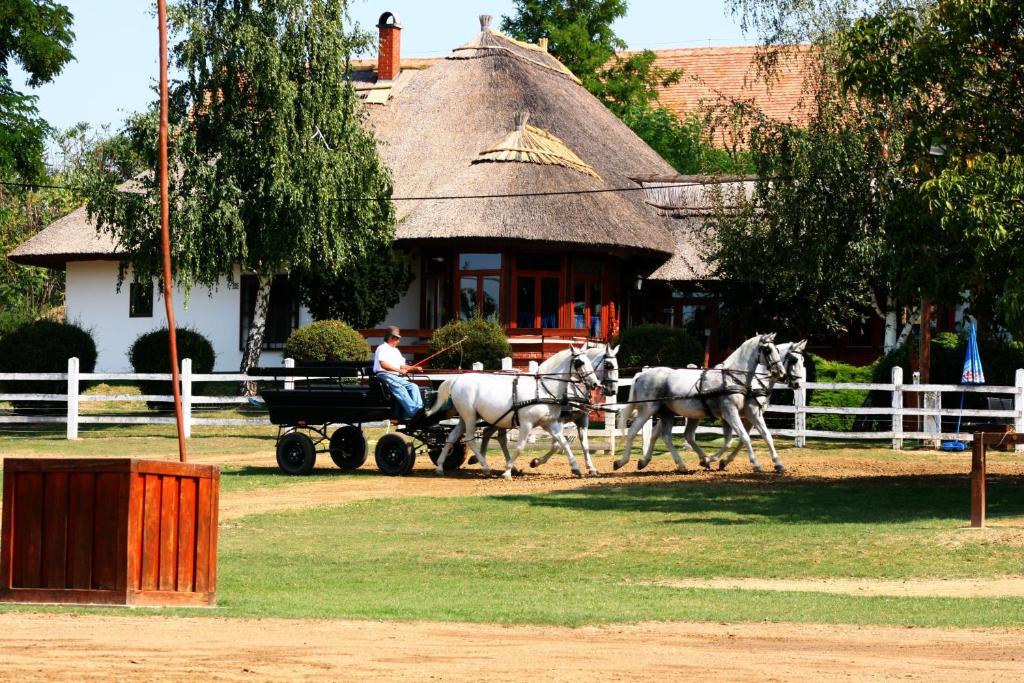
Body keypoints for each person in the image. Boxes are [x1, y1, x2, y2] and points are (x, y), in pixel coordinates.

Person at [373, 326, 424, 423]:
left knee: (413, 386)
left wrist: (414, 368)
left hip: (395, 376)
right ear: (391, 338)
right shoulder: (382, 348)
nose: (398, 341)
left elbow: (402, 366)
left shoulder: (396, 351)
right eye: (397, 339)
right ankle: (414, 411)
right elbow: (383, 365)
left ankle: (420, 410)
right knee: (399, 387)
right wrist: (399, 370)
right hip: (383, 375)